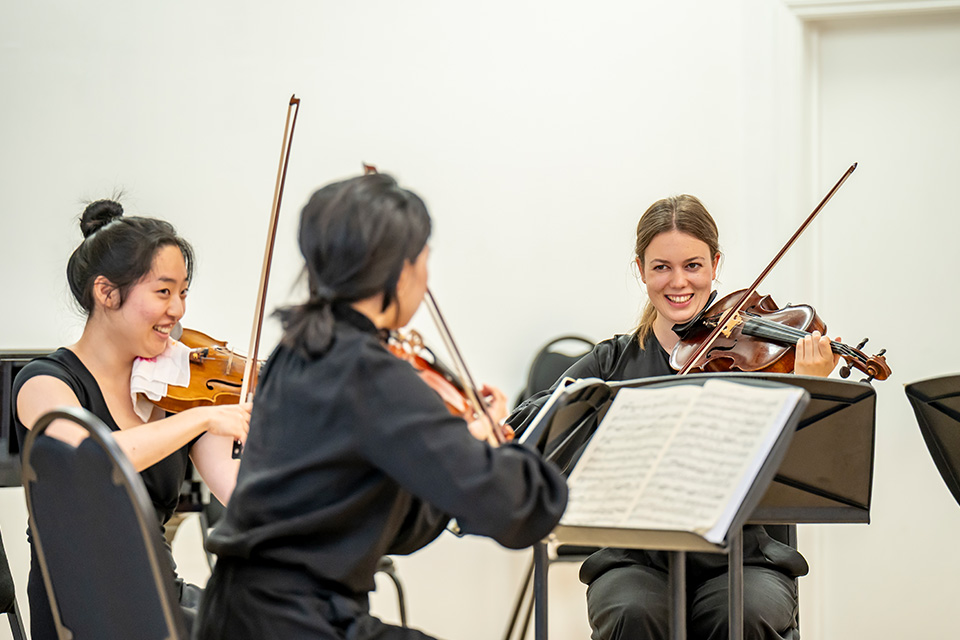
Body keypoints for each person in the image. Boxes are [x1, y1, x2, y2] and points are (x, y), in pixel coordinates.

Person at [193, 172, 568, 640]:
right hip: (296, 622)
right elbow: (520, 509)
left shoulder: (299, 352)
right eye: (425, 258)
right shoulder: (369, 373)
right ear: (399, 270)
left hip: (236, 615)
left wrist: (458, 448)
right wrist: (500, 453)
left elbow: (390, 525)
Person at [508, 194, 839, 640]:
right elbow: (534, 418)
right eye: (661, 266)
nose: (678, 281)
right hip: (638, 557)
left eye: (693, 265)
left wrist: (810, 386)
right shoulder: (613, 361)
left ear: (715, 264)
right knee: (631, 610)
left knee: (746, 612)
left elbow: (816, 460)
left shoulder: (758, 359)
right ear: (641, 271)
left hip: (743, 555)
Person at [13, 199, 251, 639]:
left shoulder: (178, 390)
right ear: (106, 293)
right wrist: (201, 420)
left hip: (161, 600)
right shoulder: (43, 383)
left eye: (183, 293)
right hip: (88, 615)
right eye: (163, 292)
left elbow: (241, 491)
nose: (178, 311)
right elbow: (93, 456)